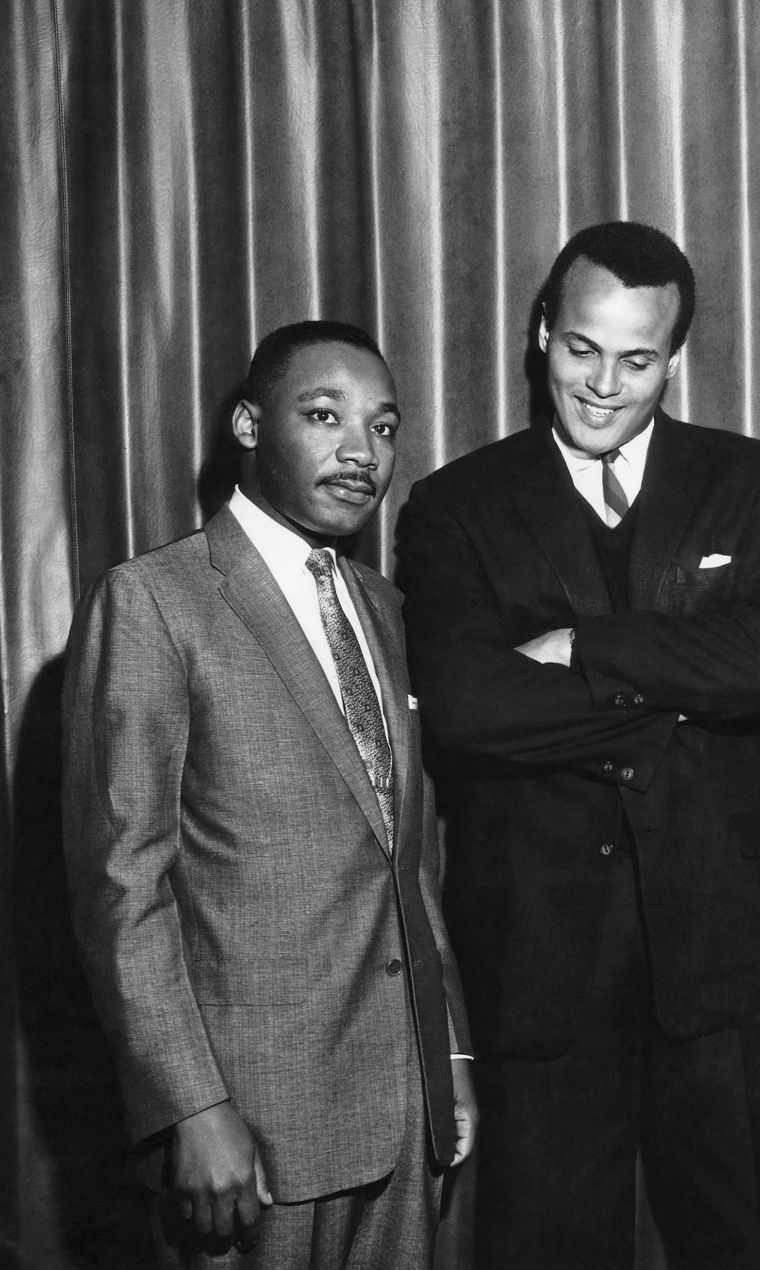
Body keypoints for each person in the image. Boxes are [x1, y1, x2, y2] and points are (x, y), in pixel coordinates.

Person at [397, 221, 760, 1269]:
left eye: (637, 359)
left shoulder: (754, 479)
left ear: (674, 359)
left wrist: (581, 645)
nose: (603, 384)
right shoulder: (455, 505)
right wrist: (677, 688)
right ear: (543, 332)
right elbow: (465, 705)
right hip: (540, 962)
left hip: (724, 959)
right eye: (582, 348)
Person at [62, 320, 477, 1268]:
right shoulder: (154, 600)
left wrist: (444, 1053)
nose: (358, 452)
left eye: (382, 426)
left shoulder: (380, 605)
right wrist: (190, 1108)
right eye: (323, 416)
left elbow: (404, 857)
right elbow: (120, 885)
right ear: (249, 425)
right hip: (251, 1124)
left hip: (402, 1113)